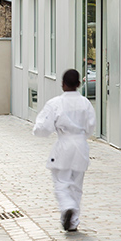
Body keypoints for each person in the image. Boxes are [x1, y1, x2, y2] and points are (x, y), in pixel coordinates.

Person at [33, 67, 97, 232]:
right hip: (81, 145)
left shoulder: (55, 103)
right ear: (79, 84)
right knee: (76, 185)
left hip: (64, 145)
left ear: (63, 84)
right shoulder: (85, 103)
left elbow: (43, 128)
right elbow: (91, 126)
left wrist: (38, 131)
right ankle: (73, 221)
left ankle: (67, 207)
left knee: (61, 183)